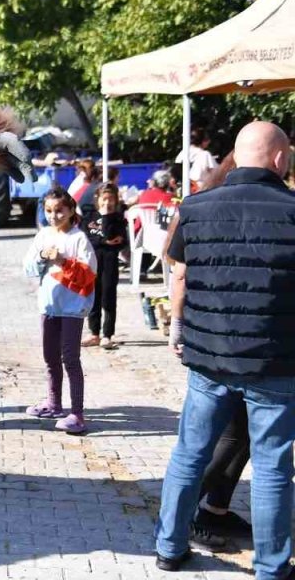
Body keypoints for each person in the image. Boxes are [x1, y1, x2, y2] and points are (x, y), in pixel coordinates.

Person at [153, 122, 295, 578]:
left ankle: (168, 548)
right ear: (279, 159)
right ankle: (272, 567)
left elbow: (179, 273)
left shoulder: (194, 207)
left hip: (208, 357)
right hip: (275, 361)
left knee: (189, 454)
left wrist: (177, 327)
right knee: (273, 468)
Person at [23, 189, 96, 435]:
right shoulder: (43, 235)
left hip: (72, 308)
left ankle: (77, 413)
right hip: (48, 306)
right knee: (50, 358)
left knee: (70, 360)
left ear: (71, 211)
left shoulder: (79, 239)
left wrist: (63, 261)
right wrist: (43, 256)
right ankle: (53, 403)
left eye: (59, 210)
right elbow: (28, 266)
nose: (54, 216)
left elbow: (88, 276)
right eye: (49, 211)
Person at [83, 183, 127, 350]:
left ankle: (107, 334)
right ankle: (94, 332)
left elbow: (119, 241)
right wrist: (104, 241)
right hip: (93, 263)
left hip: (110, 263)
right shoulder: (90, 218)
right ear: (98, 199)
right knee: (93, 298)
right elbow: (87, 239)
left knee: (108, 298)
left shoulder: (118, 219)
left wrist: (107, 217)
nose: (107, 202)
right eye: (104, 199)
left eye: (111, 199)